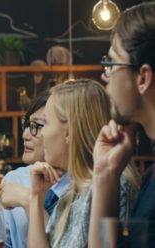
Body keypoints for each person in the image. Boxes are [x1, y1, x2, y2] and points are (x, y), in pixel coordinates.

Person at [27, 79, 141, 248]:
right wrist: (36, 197)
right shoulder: (71, 192)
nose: (41, 133)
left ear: (68, 131)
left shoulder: (115, 186)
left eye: (45, 123)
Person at [88, 2, 155, 247]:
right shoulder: (150, 177)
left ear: (143, 78)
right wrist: (105, 173)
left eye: (112, 64)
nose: (105, 76)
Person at [0, 90, 68, 248]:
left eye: (38, 126)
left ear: (68, 132)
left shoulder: (85, 185)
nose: (25, 135)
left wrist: (29, 200)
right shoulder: (15, 179)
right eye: (26, 125)